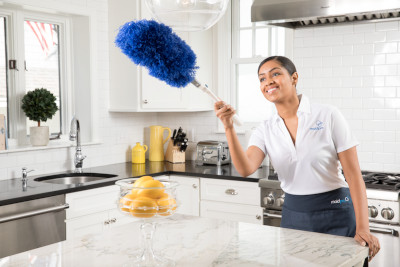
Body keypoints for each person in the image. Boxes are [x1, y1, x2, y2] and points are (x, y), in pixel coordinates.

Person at [214, 56, 380, 261]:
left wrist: (363, 228)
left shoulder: (327, 115)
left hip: (336, 209)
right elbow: (245, 168)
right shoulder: (265, 128)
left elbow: (354, 175)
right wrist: (228, 126)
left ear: (294, 78)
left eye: (276, 73)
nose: (268, 82)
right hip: (294, 214)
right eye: (262, 78)